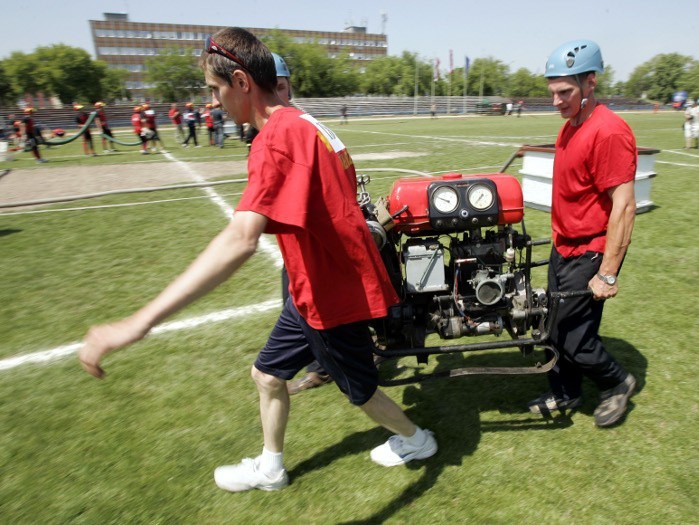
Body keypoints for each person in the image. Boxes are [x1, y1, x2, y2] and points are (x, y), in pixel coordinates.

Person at [78, 26, 438, 493]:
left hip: (328, 294)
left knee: (361, 390)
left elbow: (240, 240)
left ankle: (417, 439)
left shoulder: (276, 138)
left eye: (215, 89)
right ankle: (271, 467)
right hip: (313, 285)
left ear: (242, 82)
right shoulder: (306, 123)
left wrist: (138, 322)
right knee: (267, 374)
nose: (212, 102)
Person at [526, 39, 637, 428]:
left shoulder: (608, 131)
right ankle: (564, 391)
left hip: (590, 251)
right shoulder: (569, 128)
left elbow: (624, 206)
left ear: (590, 83)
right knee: (552, 330)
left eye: (565, 92)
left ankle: (617, 382)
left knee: (573, 337)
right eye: (553, 92)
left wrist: (607, 273)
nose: (556, 101)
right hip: (564, 248)